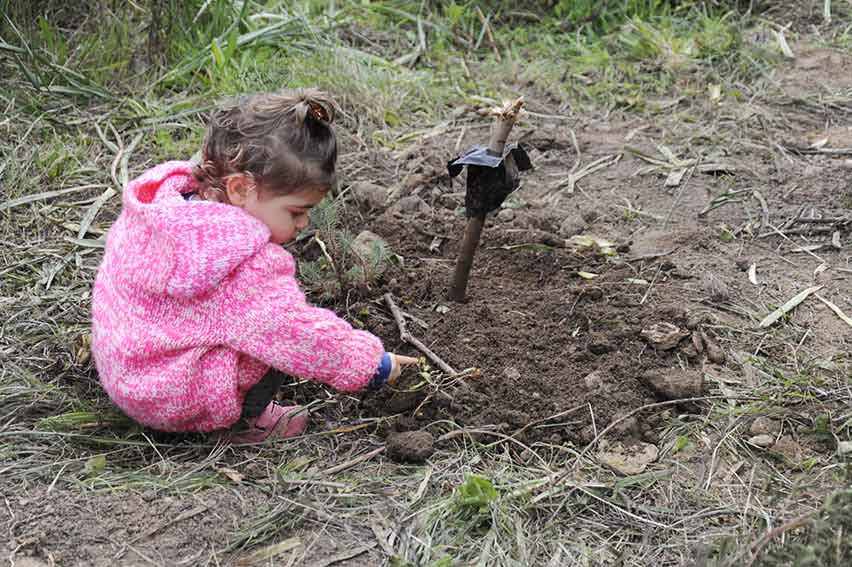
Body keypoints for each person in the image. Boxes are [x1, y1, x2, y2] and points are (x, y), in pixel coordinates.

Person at [91, 88, 417, 443]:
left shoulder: (167, 205)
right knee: (276, 335)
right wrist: (373, 365)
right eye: (296, 211)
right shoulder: (241, 267)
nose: (305, 224)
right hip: (169, 399)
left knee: (257, 323)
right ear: (240, 189)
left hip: (128, 367)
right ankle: (241, 424)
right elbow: (298, 333)